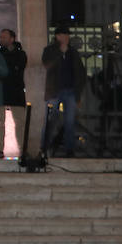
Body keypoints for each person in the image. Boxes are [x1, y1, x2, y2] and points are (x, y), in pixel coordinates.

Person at [42, 26, 86, 156]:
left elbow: (80, 73)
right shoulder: (50, 50)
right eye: (63, 35)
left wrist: (78, 94)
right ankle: (45, 147)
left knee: (70, 121)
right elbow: (47, 65)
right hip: (54, 91)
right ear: (57, 36)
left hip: (70, 91)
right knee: (51, 120)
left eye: (67, 36)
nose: (66, 38)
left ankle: (69, 149)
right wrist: (60, 54)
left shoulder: (73, 52)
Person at [0, 29, 27, 159]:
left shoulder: (21, 54)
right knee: (0, 122)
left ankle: (22, 149)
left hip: (16, 90)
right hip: (1, 90)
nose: (2, 39)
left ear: (12, 39)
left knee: (20, 122)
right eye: (1, 37)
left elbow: (17, 69)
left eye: (5, 37)